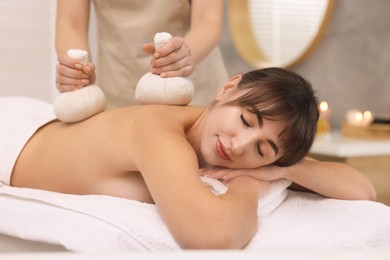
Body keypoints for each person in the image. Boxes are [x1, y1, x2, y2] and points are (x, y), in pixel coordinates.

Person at [1, 68, 375, 249]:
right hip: (12, 134)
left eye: (262, 149)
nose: (240, 145)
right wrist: (247, 186)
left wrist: (285, 167)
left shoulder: (240, 152)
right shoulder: (160, 134)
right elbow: (213, 236)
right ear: (229, 87)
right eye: (246, 120)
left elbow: (364, 191)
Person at [55, 0, 228, 108]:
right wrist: (78, 69)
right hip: (120, 86)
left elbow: (208, 19)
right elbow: (70, 23)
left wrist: (183, 55)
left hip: (192, 81)